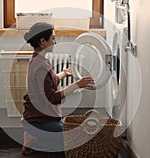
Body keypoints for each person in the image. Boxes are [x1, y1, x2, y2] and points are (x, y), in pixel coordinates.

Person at [20, 22, 94, 155]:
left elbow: (49, 82)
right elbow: (52, 98)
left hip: (36, 117)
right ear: (43, 41)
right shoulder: (41, 66)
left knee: (63, 125)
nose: (55, 42)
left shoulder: (39, 59)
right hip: (38, 120)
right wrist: (77, 84)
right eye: (53, 38)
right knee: (70, 136)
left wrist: (64, 73)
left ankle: (32, 136)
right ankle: (34, 134)